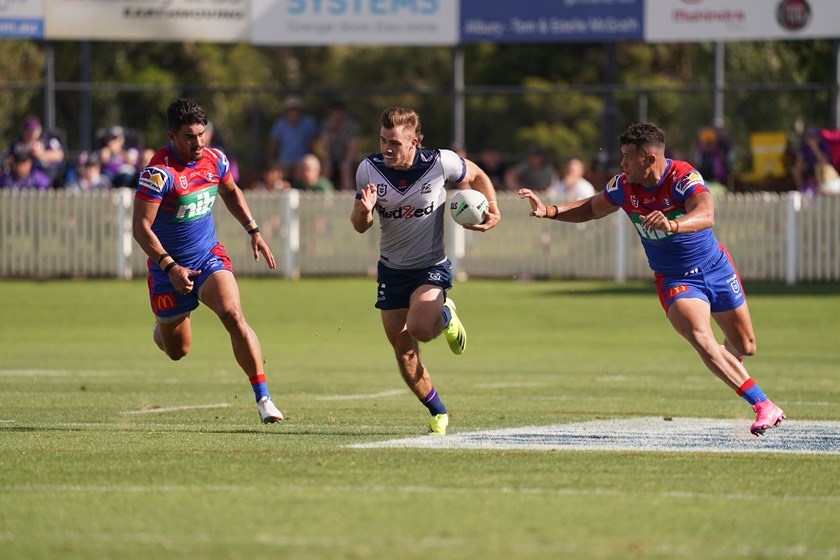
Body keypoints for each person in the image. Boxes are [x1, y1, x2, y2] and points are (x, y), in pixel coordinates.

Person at [518, 122, 785, 437]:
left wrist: (673, 225)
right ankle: (762, 403)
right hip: (674, 278)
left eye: (628, 157)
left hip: (715, 267)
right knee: (700, 337)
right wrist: (550, 210)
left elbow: (706, 214)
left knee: (746, 346)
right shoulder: (624, 186)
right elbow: (591, 208)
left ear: (649, 159)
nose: (622, 164)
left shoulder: (683, 177)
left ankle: (732, 365)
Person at [350, 106, 501, 435]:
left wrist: (492, 207)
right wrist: (364, 210)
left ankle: (444, 313)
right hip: (391, 271)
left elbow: (476, 175)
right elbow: (360, 225)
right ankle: (437, 411)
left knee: (420, 328)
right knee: (404, 353)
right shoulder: (368, 170)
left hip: (430, 267)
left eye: (395, 143)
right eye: (383, 140)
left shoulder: (440, 162)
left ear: (414, 142)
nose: (387, 148)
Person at [132, 98, 284, 424]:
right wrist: (171, 267)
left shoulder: (215, 159)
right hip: (168, 271)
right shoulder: (158, 173)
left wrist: (253, 230)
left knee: (233, 314)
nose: (198, 143)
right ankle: (162, 328)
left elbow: (230, 192)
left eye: (201, 134)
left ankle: (264, 398)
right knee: (177, 351)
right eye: (190, 136)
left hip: (207, 257)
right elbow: (140, 228)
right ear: (172, 136)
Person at [5, 115, 66, 186]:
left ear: (39, 129)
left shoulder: (48, 139)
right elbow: (9, 158)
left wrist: (40, 154)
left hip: (48, 174)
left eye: (33, 130)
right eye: (28, 131)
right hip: (22, 176)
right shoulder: (18, 143)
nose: (30, 134)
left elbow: (59, 155)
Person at [267, 96, 318, 179]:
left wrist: (313, 159)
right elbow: (273, 144)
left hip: (302, 160)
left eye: (296, 109)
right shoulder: (280, 124)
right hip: (284, 161)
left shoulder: (308, 123)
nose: (294, 112)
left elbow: (313, 144)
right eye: (291, 109)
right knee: (276, 173)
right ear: (286, 111)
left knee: (305, 169)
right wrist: (270, 161)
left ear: (301, 111)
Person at [319, 100, 360, 191]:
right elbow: (324, 146)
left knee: (345, 168)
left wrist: (347, 161)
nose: (336, 115)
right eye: (334, 112)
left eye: (338, 111)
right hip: (331, 157)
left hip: (346, 157)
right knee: (326, 167)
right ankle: (323, 193)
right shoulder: (326, 125)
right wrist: (327, 159)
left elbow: (352, 147)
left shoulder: (351, 126)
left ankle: (347, 195)